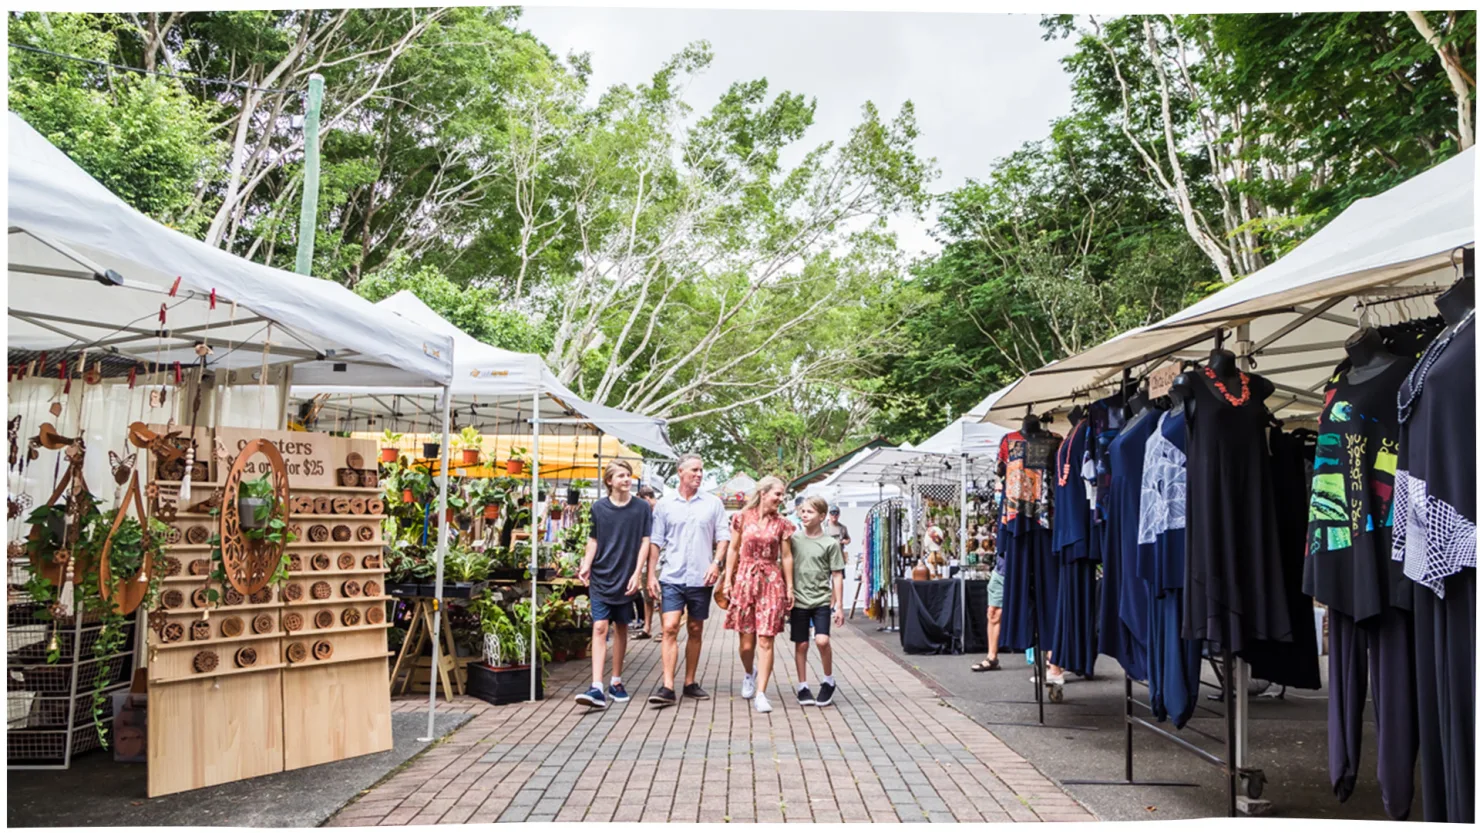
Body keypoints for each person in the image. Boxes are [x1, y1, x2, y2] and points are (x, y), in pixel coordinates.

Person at [645, 454, 730, 708]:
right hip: (672, 575)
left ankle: (690, 682)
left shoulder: (713, 504)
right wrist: (651, 574)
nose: (699, 474)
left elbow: (724, 536)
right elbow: (656, 541)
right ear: (680, 472)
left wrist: (716, 563)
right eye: (694, 470)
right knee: (670, 626)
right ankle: (668, 686)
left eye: (701, 470)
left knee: (695, 628)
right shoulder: (665, 504)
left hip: (701, 577)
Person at [575, 461, 651, 709]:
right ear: (609, 481)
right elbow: (593, 539)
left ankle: (616, 680)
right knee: (599, 627)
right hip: (602, 575)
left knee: (621, 627)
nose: (627, 479)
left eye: (628, 475)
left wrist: (637, 573)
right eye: (621, 475)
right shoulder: (599, 508)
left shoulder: (641, 508)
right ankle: (596, 685)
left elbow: (645, 541)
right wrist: (587, 564)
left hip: (625, 575)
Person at [721, 476, 795, 714]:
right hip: (745, 577)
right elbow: (733, 549)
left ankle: (761, 693)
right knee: (746, 644)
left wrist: (790, 587)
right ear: (764, 493)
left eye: (782, 495)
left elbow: (786, 556)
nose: (781, 499)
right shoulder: (742, 517)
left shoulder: (782, 523)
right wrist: (727, 581)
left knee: (766, 638)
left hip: (771, 580)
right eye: (778, 494)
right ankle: (748, 672)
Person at [790, 496, 845, 706]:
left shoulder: (830, 543)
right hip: (798, 600)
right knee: (801, 644)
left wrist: (839, 605)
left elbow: (837, 575)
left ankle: (828, 680)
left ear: (822, 516)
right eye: (803, 511)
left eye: (810, 512)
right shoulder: (794, 540)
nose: (805, 515)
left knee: (822, 640)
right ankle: (803, 685)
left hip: (821, 599)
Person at [634, 484, 661, 640]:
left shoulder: (661, 510)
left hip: (661, 559)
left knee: (661, 596)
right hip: (646, 558)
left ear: (647, 498)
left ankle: (665, 629)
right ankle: (647, 627)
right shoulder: (645, 513)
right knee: (647, 595)